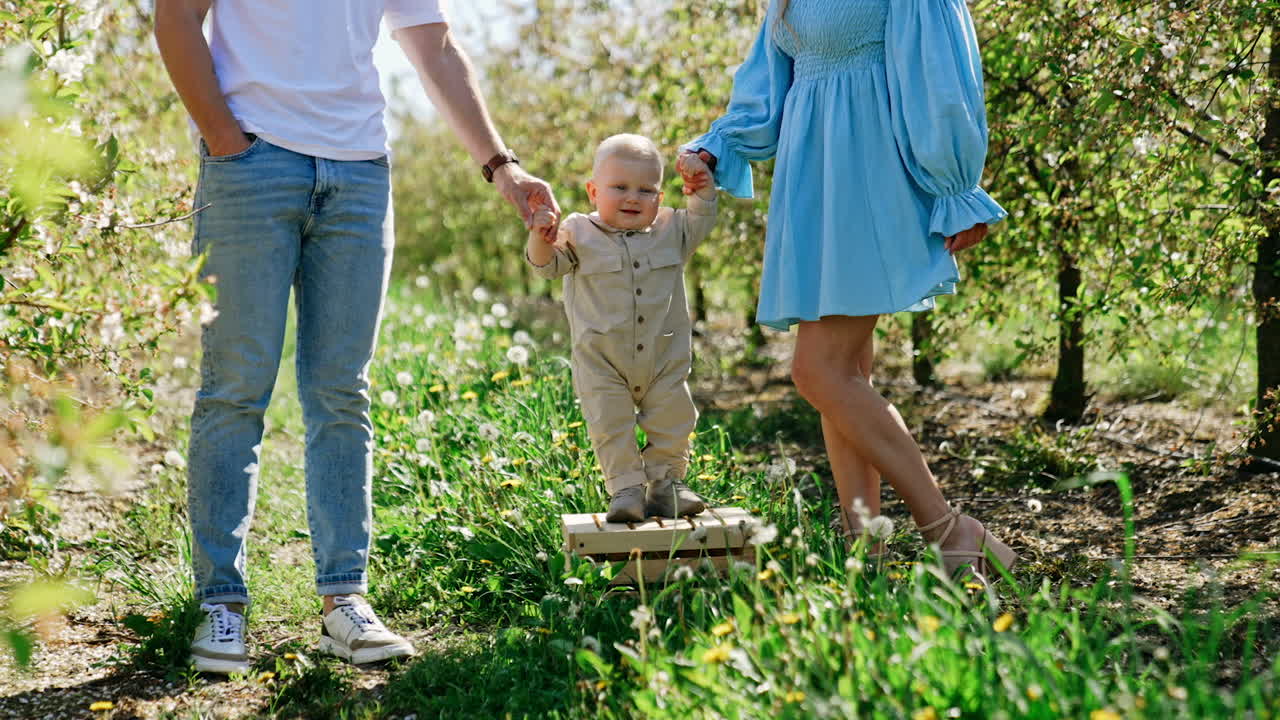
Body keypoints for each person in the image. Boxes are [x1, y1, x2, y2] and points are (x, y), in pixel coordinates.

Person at [154, 0, 559, 674]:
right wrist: (226, 141)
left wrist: (502, 165)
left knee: (342, 391)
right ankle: (220, 602)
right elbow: (175, 18)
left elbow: (434, 47)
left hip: (360, 172)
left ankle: (343, 600)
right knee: (235, 386)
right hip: (252, 165)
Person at [681, 0, 1016, 581]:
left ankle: (950, 530)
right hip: (813, 177)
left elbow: (939, 73)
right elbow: (768, 84)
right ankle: (865, 556)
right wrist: (717, 146)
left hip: (874, 172)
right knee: (844, 376)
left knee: (819, 371)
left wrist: (954, 184)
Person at [525, 135, 716, 522]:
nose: (633, 197)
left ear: (660, 199)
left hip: (662, 357)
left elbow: (701, 217)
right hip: (602, 362)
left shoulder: (671, 230)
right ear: (594, 191)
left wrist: (703, 190)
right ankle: (626, 489)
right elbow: (546, 266)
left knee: (674, 419)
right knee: (610, 425)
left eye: (646, 190)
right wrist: (539, 237)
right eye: (620, 187)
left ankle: (667, 485)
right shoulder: (578, 232)